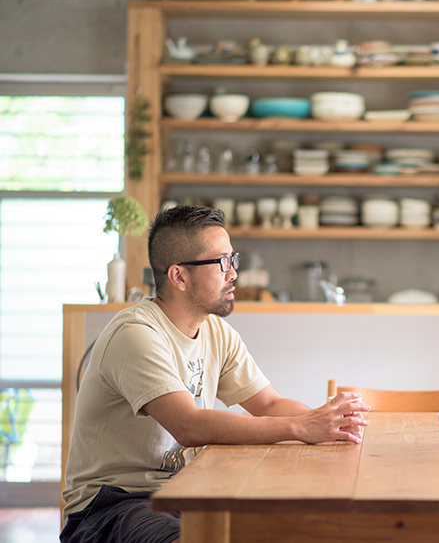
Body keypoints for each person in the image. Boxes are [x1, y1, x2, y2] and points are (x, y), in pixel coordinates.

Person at [61, 205, 370, 543]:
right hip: (112, 506)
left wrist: (328, 424)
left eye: (233, 259)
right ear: (179, 276)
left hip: (188, 490)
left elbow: (268, 404)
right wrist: (300, 427)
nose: (234, 273)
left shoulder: (215, 332)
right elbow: (189, 425)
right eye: (222, 262)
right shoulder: (136, 335)